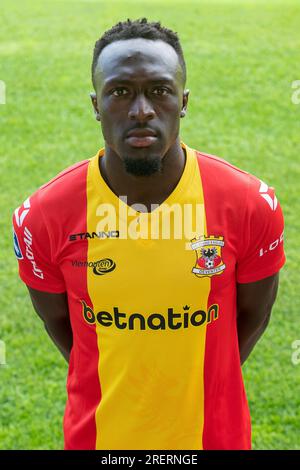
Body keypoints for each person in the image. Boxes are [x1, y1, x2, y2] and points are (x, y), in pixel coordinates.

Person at [12, 18, 285, 450]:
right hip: (98, 441)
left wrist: (204, 379)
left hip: (213, 438)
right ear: (96, 105)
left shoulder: (249, 204)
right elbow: (59, 322)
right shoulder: (43, 215)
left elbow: (253, 316)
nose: (141, 110)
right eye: (120, 92)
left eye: (159, 90)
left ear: (184, 101)